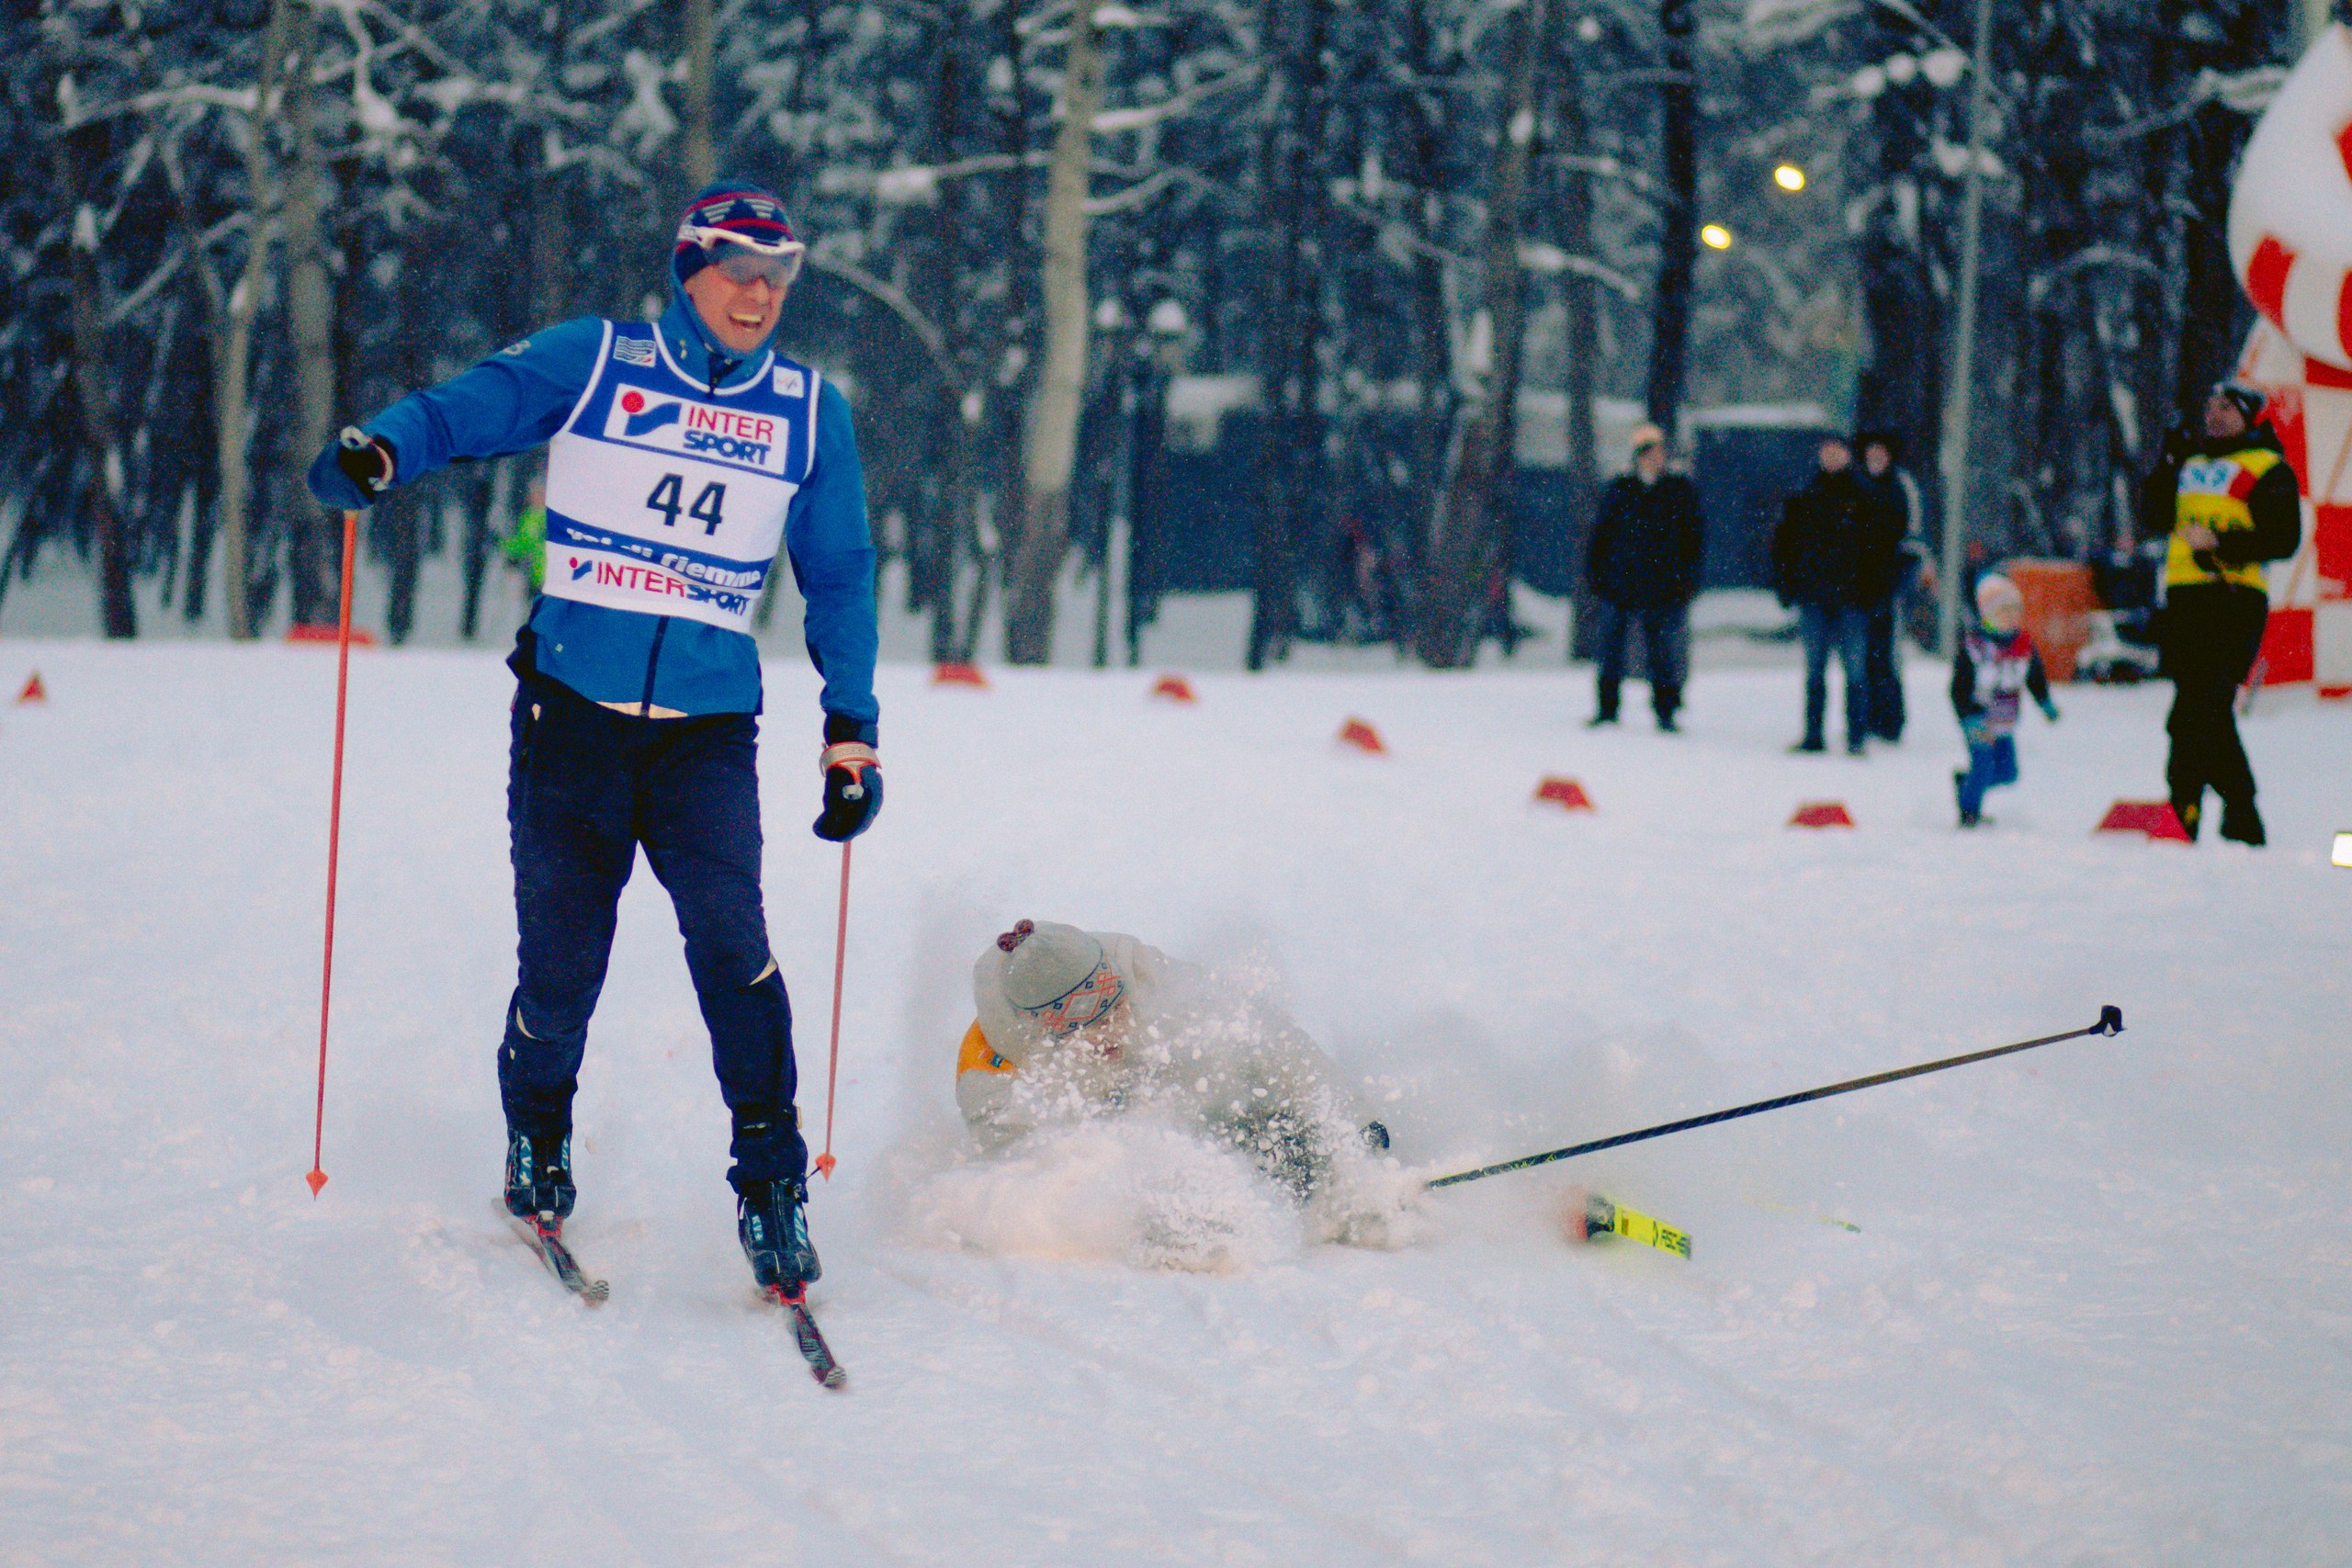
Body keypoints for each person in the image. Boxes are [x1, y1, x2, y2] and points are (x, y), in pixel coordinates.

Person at [305, 180, 883, 1300]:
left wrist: (850, 730)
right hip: (570, 717)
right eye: (738, 273)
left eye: (779, 277)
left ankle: (771, 1189)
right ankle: (538, 1144)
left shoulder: (812, 412)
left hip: (705, 734)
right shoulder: (601, 360)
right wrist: (382, 451)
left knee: (734, 950)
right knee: (563, 966)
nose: (760, 296)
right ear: (689, 272)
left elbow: (841, 575)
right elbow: (466, 409)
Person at [954, 920, 1392, 1228]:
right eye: (1084, 1029)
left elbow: (1271, 1039)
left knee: (1235, 1078)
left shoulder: (1145, 972)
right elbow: (1023, 1183)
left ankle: (1312, 1168)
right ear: (1044, 1032)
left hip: (1185, 1103)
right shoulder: (990, 1077)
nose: (1111, 1034)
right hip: (1126, 1160)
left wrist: (1351, 1121)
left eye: (1114, 1011)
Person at [2136, 380, 2301, 844]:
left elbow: (2283, 538)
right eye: (2211, 405)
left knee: (2198, 709)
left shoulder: (2268, 465)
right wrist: (2166, 463)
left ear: (2249, 416)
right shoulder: (2189, 460)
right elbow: (2153, 514)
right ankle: (2236, 811)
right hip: (2186, 598)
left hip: (2233, 599)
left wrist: (2223, 545)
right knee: (2197, 710)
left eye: (2228, 408)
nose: (2215, 414)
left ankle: (2188, 809)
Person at [1772, 434, 1904, 754]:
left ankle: (1856, 733)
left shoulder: (1866, 497)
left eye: (1837, 451)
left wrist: (1873, 591)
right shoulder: (1804, 494)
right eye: (1826, 451)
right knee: (1815, 670)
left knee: (1855, 670)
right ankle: (1813, 733)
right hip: (1814, 597)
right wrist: (1789, 586)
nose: (1831, 457)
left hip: (1852, 599)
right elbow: (1785, 545)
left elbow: (1880, 550)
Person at [1583, 423, 1703, 731]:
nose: (1653, 459)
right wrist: (1597, 576)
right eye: (1647, 453)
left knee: (1662, 651)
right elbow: (1602, 535)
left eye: (1658, 453)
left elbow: (1693, 538)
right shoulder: (1621, 489)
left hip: (1662, 584)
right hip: (1621, 582)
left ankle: (1665, 709)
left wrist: (1687, 578)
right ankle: (1607, 708)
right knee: (1612, 649)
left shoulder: (1678, 490)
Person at [1950, 574, 2059, 828]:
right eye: (2002, 611)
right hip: (1978, 720)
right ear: (1986, 615)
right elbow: (1958, 688)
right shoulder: (1974, 647)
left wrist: (2045, 703)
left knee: (2008, 773)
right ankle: (1969, 812)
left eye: (2014, 611)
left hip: (2005, 720)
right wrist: (1968, 718)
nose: (2011, 617)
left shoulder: (2023, 645)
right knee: (1984, 766)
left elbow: (2035, 677)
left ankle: (1966, 785)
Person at [1855, 431, 1926, 741]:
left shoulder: (1901, 486)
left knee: (1886, 653)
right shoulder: (1859, 485)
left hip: (1889, 584)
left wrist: (1898, 578)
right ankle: (1868, 715)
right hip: (1861, 584)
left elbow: (1911, 538)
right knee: (1865, 653)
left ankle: (1890, 717)